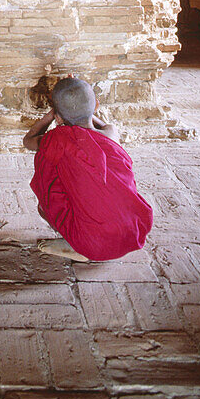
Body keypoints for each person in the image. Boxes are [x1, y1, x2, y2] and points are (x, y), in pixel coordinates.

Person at [23, 75, 153, 262]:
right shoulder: (110, 134)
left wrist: (53, 114)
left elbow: (28, 141)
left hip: (93, 243)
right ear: (96, 106)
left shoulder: (56, 139)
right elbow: (91, 118)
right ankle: (82, 240)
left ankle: (76, 244)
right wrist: (80, 101)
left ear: (58, 118)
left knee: (44, 201)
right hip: (132, 233)